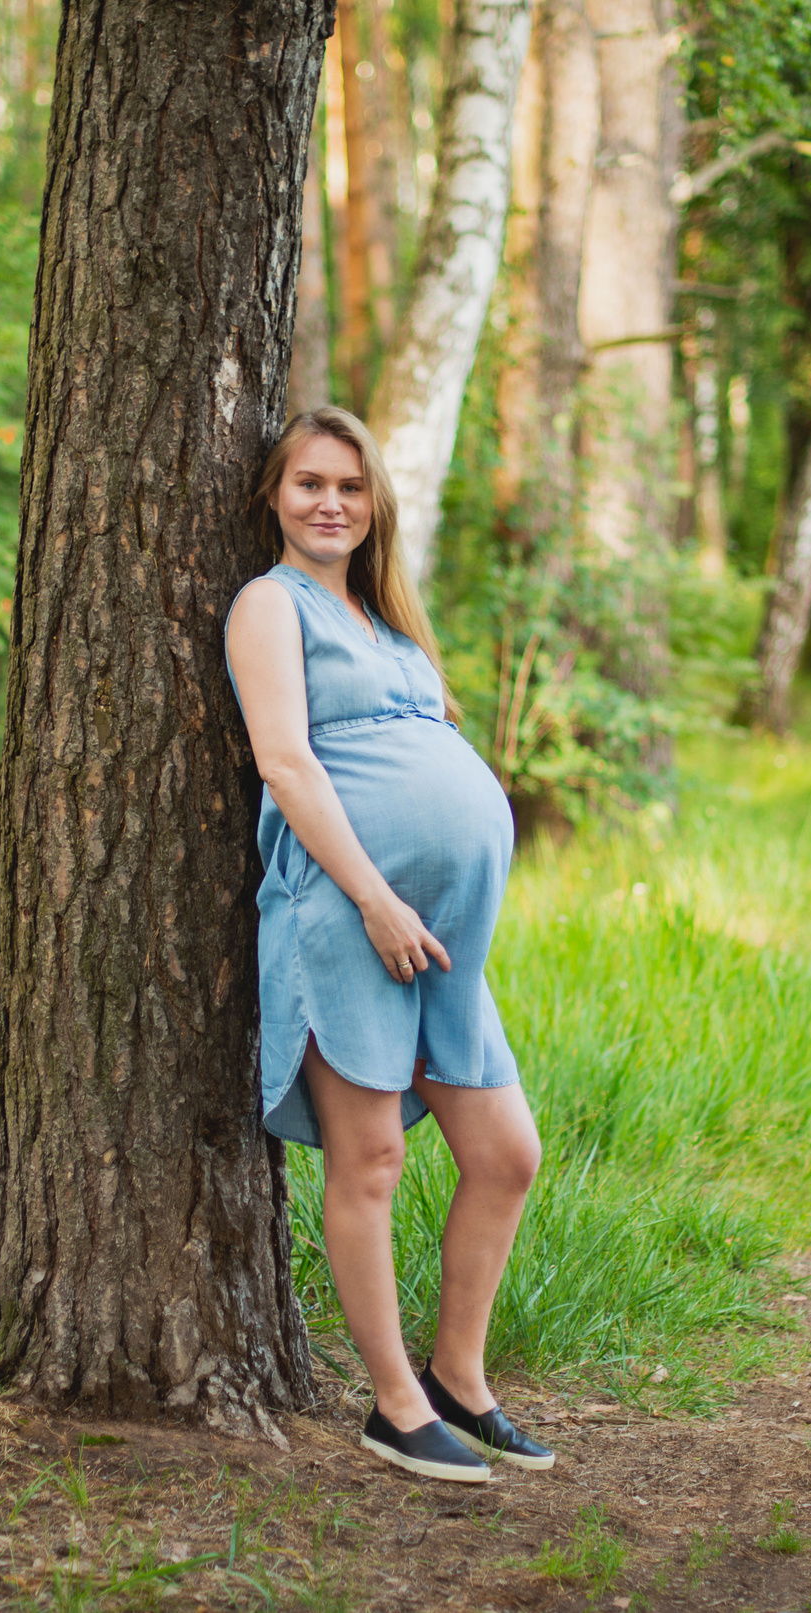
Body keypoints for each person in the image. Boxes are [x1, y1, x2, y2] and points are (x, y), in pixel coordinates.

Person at [224, 406, 552, 1484]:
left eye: (350, 486)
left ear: (376, 504)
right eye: (309, 482)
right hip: (348, 914)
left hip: (442, 940)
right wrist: (374, 898)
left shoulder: (387, 620)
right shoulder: (269, 605)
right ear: (275, 495)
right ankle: (396, 1404)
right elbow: (286, 762)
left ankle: (460, 1377)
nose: (330, 502)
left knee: (506, 1154)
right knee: (370, 1158)